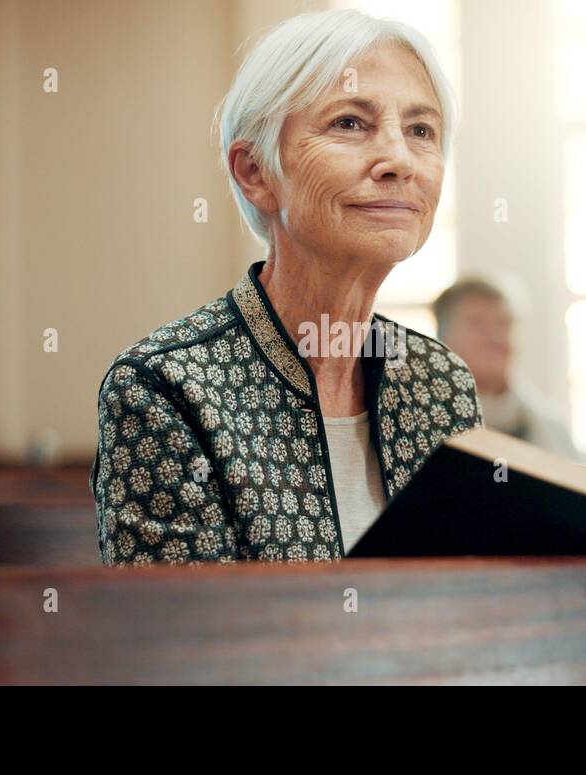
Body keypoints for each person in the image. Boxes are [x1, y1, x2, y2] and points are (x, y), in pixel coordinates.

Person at [90, 9, 483, 564]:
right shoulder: (165, 389)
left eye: (421, 130)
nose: (399, 159)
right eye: (350, 123)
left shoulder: (441, 383)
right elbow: (182, 642)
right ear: (255, 173)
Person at [433, 278, 576, 458]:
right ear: (442, 337)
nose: (494, 337)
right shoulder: (424, 429)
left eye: (503, 324)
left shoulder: (555, 431)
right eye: (477, 324)